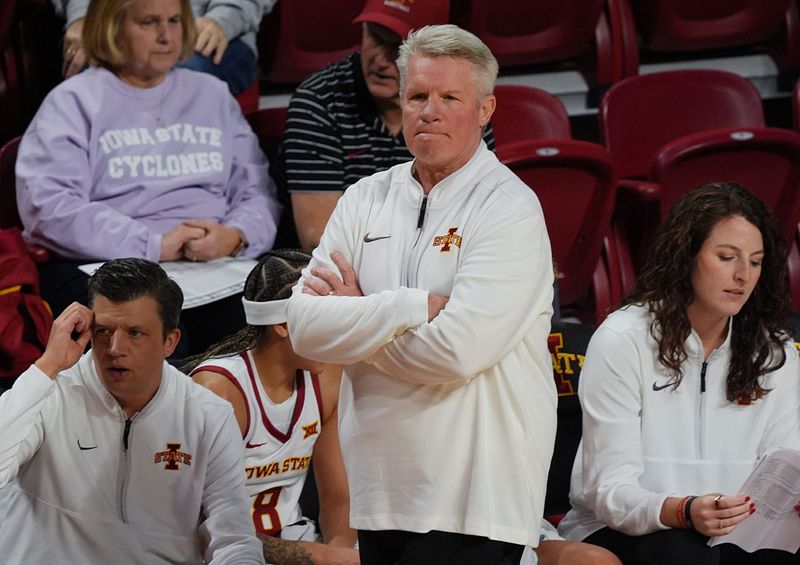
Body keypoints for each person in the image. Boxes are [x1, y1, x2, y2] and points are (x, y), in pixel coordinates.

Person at [286, 24, 555, 564]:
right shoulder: (366, 197)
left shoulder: (510, 209)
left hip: (477, 498)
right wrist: (405, 309)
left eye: (449, 97)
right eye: (417, 96)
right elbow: (304, 331)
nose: (428, 110)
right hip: (382, 491)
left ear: (485, 109)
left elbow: (456, 352)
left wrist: (356, 322)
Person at [17, 0, 281, 352]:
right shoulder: (72, 101)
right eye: (149, 22)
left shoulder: (212, 93)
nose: (166, 35)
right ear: (112, 28)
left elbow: (257, 189)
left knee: (274, 323)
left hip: (215, 264)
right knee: (160, 338)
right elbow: (48, 206)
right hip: (111, 263)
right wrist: (152, 244)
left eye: (174, 21)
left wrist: (236, 236)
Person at [558, 183, 800, 564]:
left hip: (737, 530)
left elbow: (786, 464)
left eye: (755, 262)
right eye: (726, 257)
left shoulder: (774, 351)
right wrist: (684, 509)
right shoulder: (623, 338)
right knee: (682, 557)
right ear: (686, 256)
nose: (743, 275)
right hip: (633, 525)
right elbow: (609, 490)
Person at [0, 258, 263, 563]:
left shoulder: (208, 415)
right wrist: (48, 364)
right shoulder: (49, 393)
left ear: (170, 341)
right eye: (103, 331)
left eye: (135, 333)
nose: (114, 348)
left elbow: (233, 538)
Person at [275, 0, 496, 251]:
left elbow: (480, 213)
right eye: (374, 38)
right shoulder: (318, 101)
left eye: (397, 47)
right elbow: (320, 239)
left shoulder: (463, 106)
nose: (380, 61)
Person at [184, 250, 359, 565]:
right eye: (324, 318)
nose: (335, 331)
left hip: (300, 545)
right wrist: (323, 557)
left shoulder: (328, 378)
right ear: (281, 325)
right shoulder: (219, 391)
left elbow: (337, 500)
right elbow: (198, 526)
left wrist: (340, 551)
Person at [52, 0, 273, 94]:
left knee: (180, 77)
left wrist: (222, 20)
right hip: (123, 25)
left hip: (214, 26)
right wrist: (83, 18)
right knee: (88, 68)